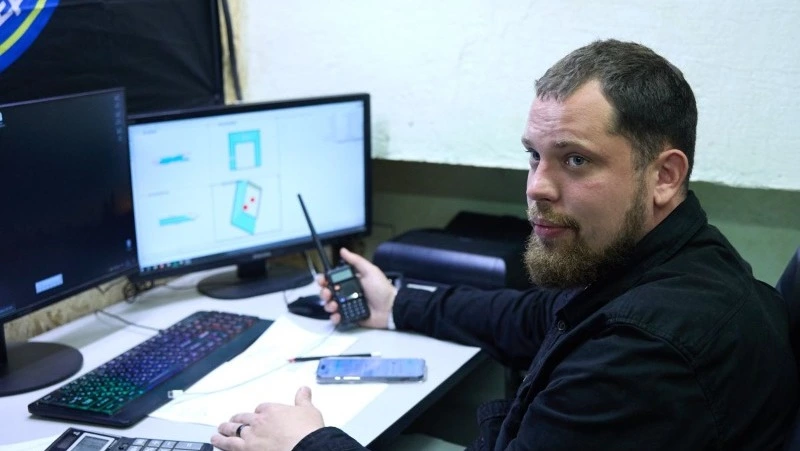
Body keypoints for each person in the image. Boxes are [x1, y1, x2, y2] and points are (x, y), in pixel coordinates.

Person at [211, 39, 799, 450]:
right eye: (533, 156)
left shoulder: (644, 354)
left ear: (664, 176)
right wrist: (395, 305)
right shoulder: (670, 260)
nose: (537, 187)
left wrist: (308, 444)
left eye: (575, 160)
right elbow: (534, 317)